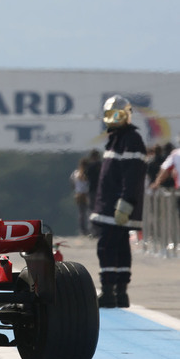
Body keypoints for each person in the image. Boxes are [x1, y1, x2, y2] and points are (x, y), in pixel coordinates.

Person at [89, 95, 146, 308]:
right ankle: (120, 293)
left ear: (127, 115)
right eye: (109, 115)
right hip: (112, 205)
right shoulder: (116, 139)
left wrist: (126, 201)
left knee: (107, 247)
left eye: (118, 115)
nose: (113, 120)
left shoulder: (130, 139)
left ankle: (109, 291)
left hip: (116, 207)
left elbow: (132, 174)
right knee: (120, 247)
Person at [70, 158, 90, 236]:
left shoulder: (75, 173)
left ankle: (83, 230)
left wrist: (76, 190)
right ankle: (89, 229)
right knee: (89, 212)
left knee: (81, 213)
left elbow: (72, 183)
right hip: (87, 194)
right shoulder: (88, 174)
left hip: (79, 194)